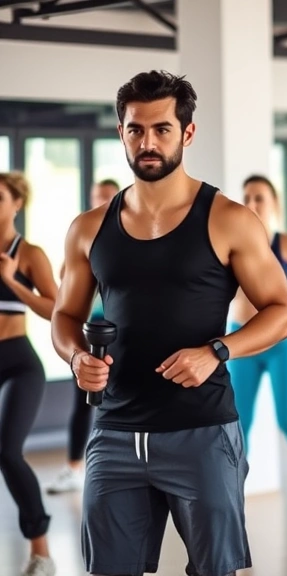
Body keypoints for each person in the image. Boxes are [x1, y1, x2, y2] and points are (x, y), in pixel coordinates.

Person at [50, 70, 287, 576]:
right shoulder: (88, 228)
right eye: (135, 129)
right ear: (120, 132)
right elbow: (65, 316)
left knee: (214, 569)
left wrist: (217, 351)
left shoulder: (229, 219)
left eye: (162, 129)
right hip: (115, 430)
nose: (148, 142)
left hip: (202, 430)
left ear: (187, 132)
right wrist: (76, 357)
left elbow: (283, 313)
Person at [226, 174, 287, 525]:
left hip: (281, 344)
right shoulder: (230, 242)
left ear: (274, 204)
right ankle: (231, 503)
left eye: (260, 197)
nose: (252, 203)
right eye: (247, 196)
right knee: (239, 423)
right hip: (242, 340)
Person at [0, 172, 59, 576]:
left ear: (17, 203)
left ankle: (41, 552)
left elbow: (55, 308)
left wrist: (10, 280)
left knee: (6, 451)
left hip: (19, 362)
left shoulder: (30, 254)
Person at [46, 178, 120, 496]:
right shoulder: (87, 232)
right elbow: (66, 280)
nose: (99, 202)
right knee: (84, 398)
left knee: (120, 397)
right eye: (95, 197)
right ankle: (74, 467)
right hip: (93, 327)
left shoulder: (125, 233)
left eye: (105, 197)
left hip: (124, 329)